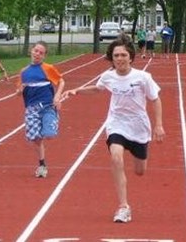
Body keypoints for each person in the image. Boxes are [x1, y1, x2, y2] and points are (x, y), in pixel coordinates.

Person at [61, 36, 164, 223]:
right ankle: (124, 206)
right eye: (116, 55)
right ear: (112, 58)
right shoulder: (108, 76)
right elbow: (98, 88)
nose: (120, 58)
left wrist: (158, 125)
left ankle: (137, 158)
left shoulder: (143, 77)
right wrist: (77, 90)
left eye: (123, 54)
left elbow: (155, 99)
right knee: (116, 156)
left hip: (139, 127)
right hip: (117, 123)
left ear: (131, 57)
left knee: (140, 170)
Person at [17, 41, 65, 178]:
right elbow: (18, 91)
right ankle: (42, 165)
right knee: (36, 139)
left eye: (41, 53)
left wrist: (57, 96)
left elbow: (61, 81)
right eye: (36, 51)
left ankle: (52, 118)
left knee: (49, 134)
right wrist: (20, 90)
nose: (37, 54)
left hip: (47, 106)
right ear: (31, 51)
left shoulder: (48, 68)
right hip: (31, 108)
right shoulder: (24, 72)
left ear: (44, 56)